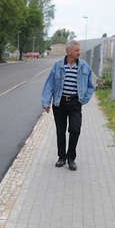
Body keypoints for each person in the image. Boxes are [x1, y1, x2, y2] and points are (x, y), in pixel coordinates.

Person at [41, 40, 95, 171]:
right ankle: (62, 157)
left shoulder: (84, 66)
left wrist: (84, 99)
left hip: (75, 103)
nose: (79, 52)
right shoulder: (58, 65)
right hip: (59, 103)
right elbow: (49, 85)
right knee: (61, 131)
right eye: (76, 50)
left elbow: (91, 85)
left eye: (79, 50)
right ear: (69, 52)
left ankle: (71, 158)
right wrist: (46, 102)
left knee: (75, 129)